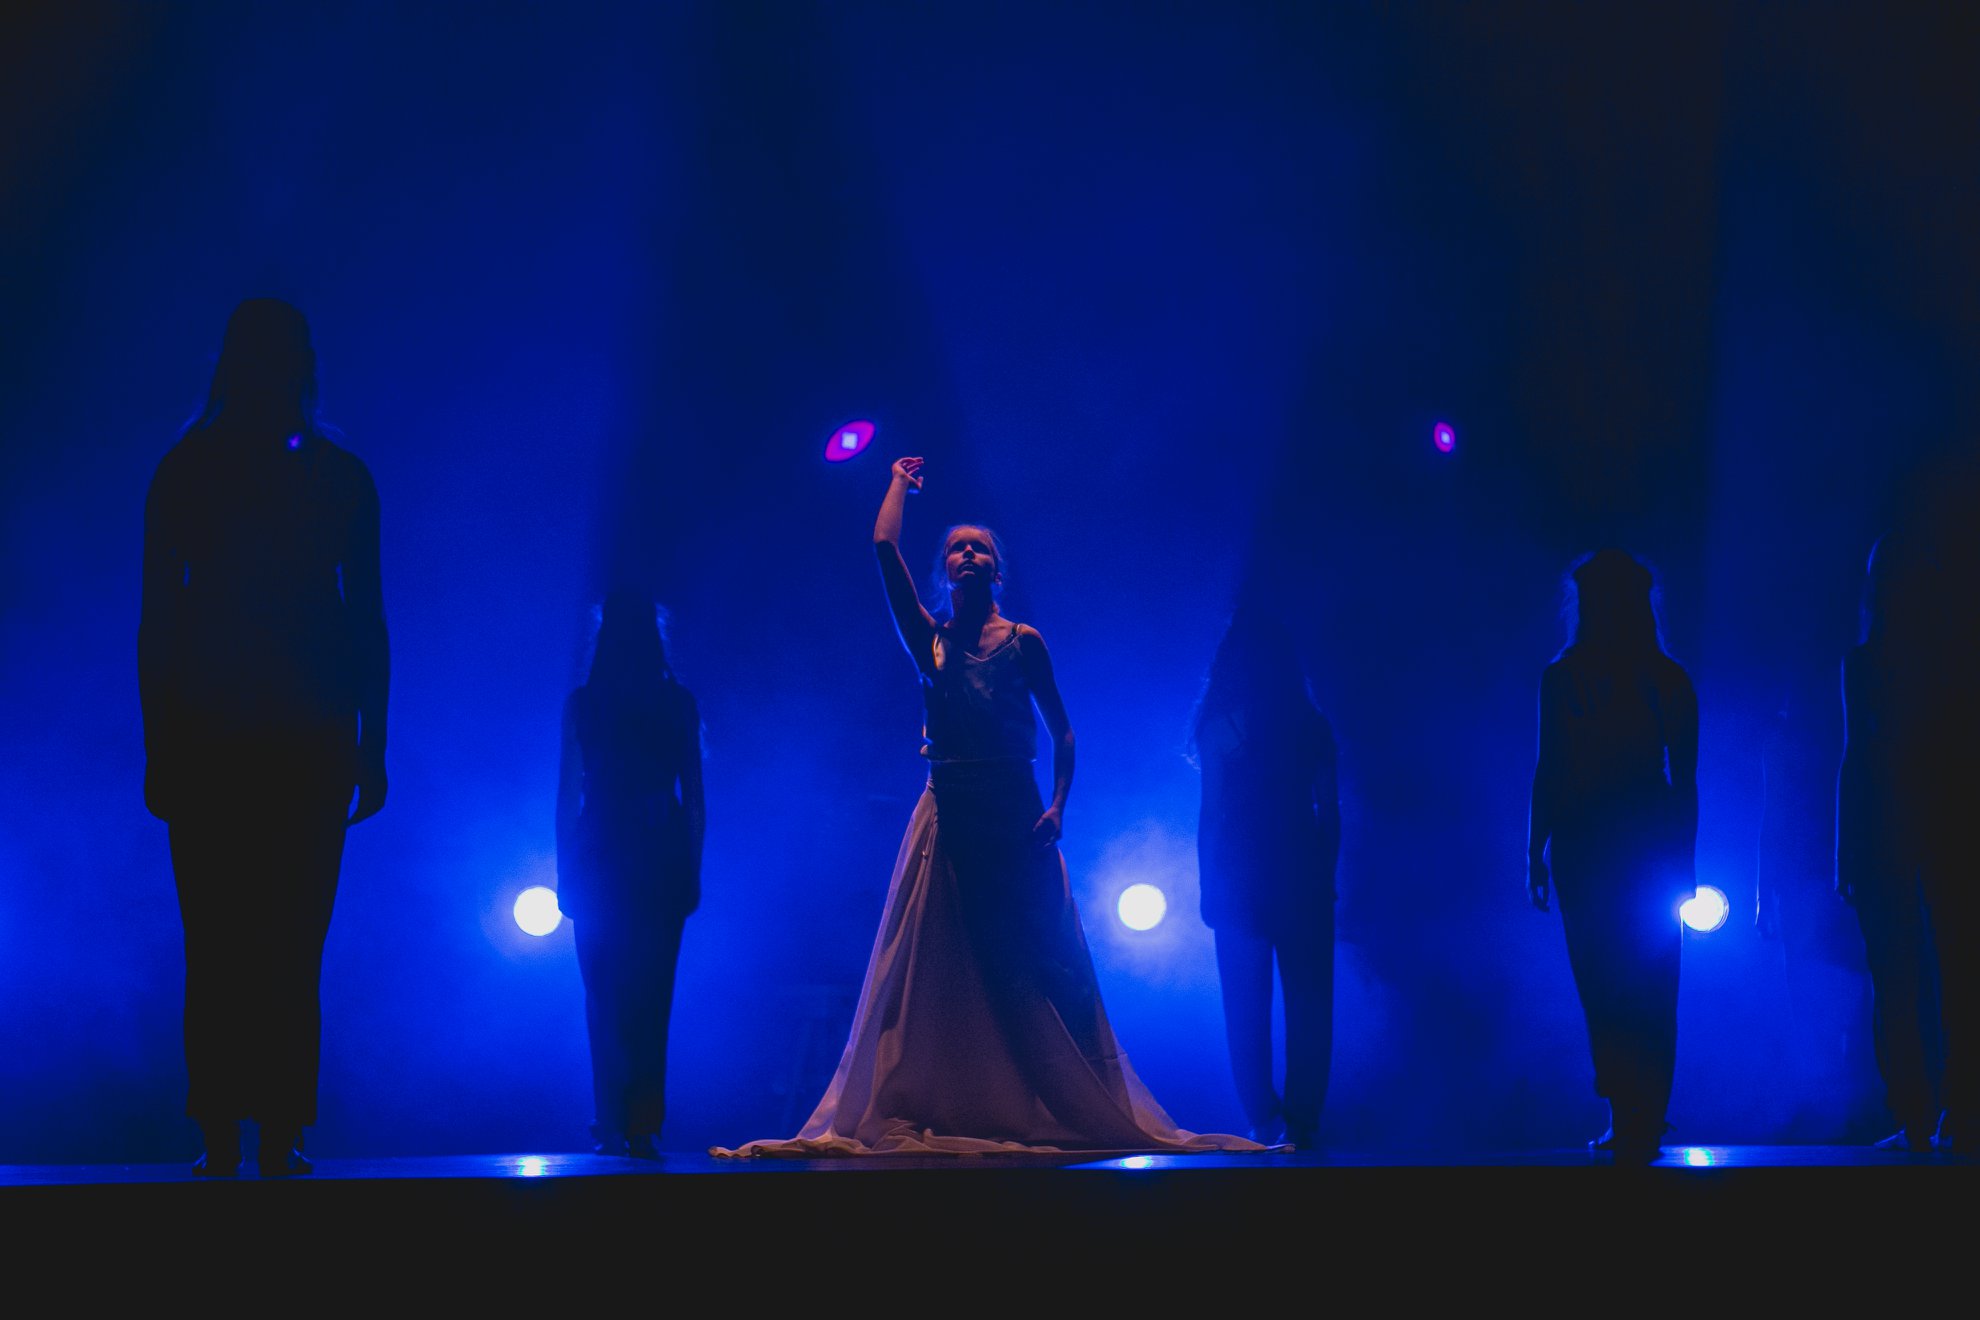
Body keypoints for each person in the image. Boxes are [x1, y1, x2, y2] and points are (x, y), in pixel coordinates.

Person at [713, 456, 1260, 1155]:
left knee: (1036, 963)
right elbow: (883, 550)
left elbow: (1062, 730)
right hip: (950, 816)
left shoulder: (1023, 643)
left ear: (996, 570)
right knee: (942, 971)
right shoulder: (931, 643)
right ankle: (955, 1094)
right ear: (945, 570)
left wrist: (1059, 807)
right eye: (956, 550)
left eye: (980, 549)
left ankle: (1051, 1097)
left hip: (1014, 817)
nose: (967, 555)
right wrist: (897, 485)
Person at [138, 298, 390, 1177]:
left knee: (216, 941)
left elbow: (159, 621)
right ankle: (279, 1129)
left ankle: (223, 1129)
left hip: (214, 735)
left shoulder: (188, 469)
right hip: (308, 736)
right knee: (289, 942)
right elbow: (366, 621)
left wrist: (157, 743)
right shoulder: (337, 476)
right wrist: (374, 742)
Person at [1526, 549, 1697, 1165]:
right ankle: (1644, 1110)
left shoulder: (1564, 678)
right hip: (1648, 844)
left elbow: (1551, 769)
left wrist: (1535, 849)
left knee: (1600, 981)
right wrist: (1688, 862)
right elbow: (1685, 783)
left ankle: (1627, 1107)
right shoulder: (1669, 681)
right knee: (1654, 980)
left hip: (1586, 842)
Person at [1835, 528, 1973, 1153]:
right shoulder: (1952, 659)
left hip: (1892, 824)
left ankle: (1917, 1114)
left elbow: (1856, 757)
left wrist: (1846, 848)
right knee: (1952, 970)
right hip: (1946, 820)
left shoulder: (1867, 662)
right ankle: (1953, 1111)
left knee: (1898, 977)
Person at [556, 592, 705, 1158]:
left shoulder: (585, 703)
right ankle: (640, 1121)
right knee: (650, 993)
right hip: (657, 853)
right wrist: (692, 867)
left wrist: (566, 866)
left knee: (603, 993)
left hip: (600, 851)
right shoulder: (676, 703)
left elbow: (567, 797)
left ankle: (612, 1118)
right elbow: (694, 800)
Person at [1187, 605, 1340, 1149]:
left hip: (1239, 878)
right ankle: (1303, 1121)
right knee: (1310, 1005)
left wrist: (1207, 886)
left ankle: (1262, 1118)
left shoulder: (1220, 728)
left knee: (1244, 1007)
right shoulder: (1312, 726)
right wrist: (1327, 876)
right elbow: (1330, 812)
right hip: (1301, 874)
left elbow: (1211, 815)